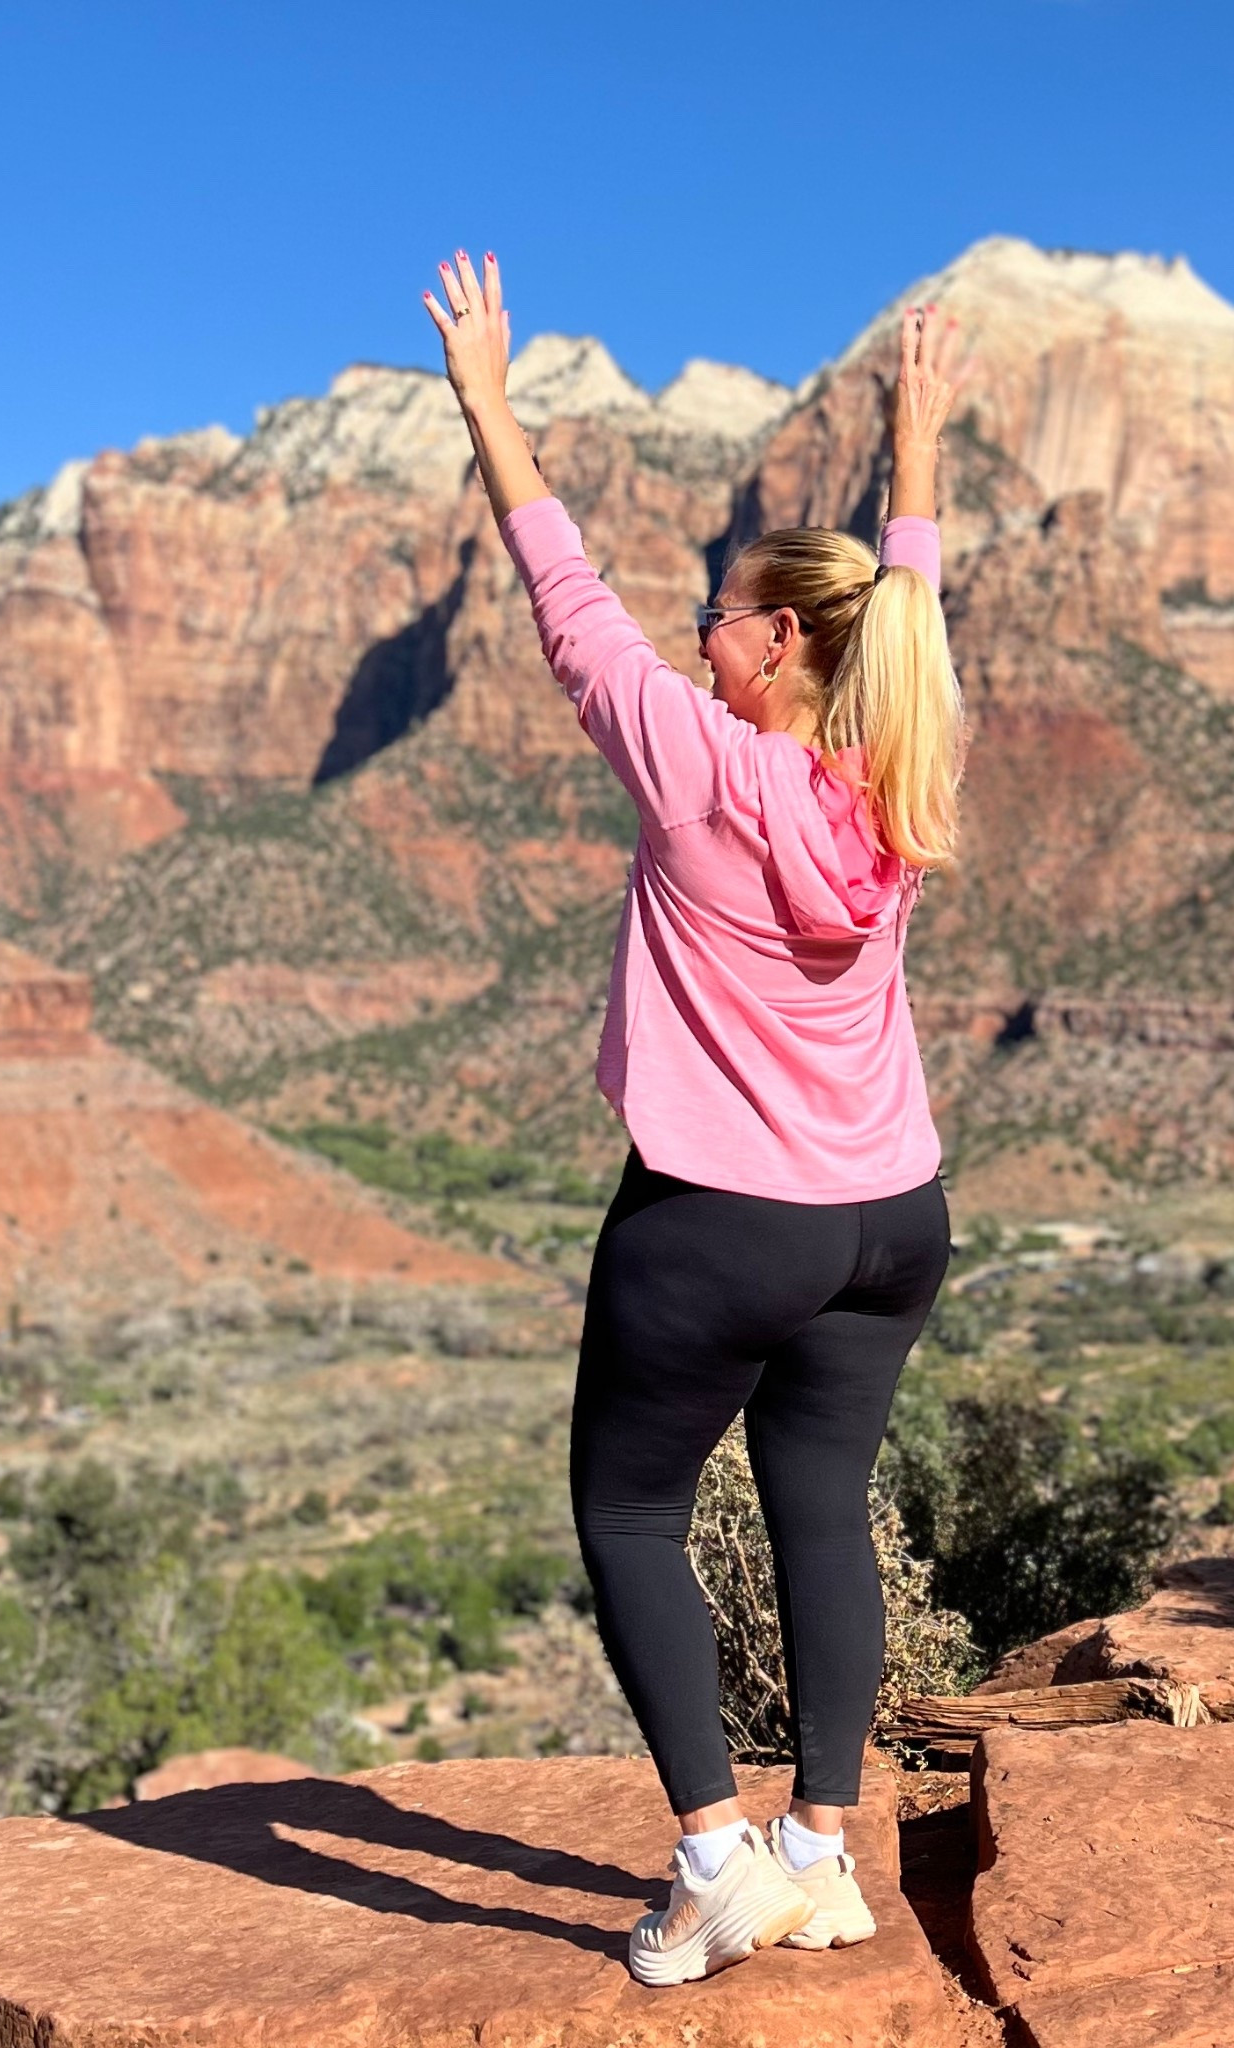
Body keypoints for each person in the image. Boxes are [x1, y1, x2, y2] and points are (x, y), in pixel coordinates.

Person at [423, 252, 967, 1985]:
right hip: (894, 1220)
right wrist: (917, 451)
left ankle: (716, 1862)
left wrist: (491, 407)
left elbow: (559, 588)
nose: (697, 632)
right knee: (824, 1506)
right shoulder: (899, 773)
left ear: (782, 643)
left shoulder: (698, 758)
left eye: (725, 611)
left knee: (631, 1517)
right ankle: (825, 1847)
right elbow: (918, 602)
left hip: (724, 1217)